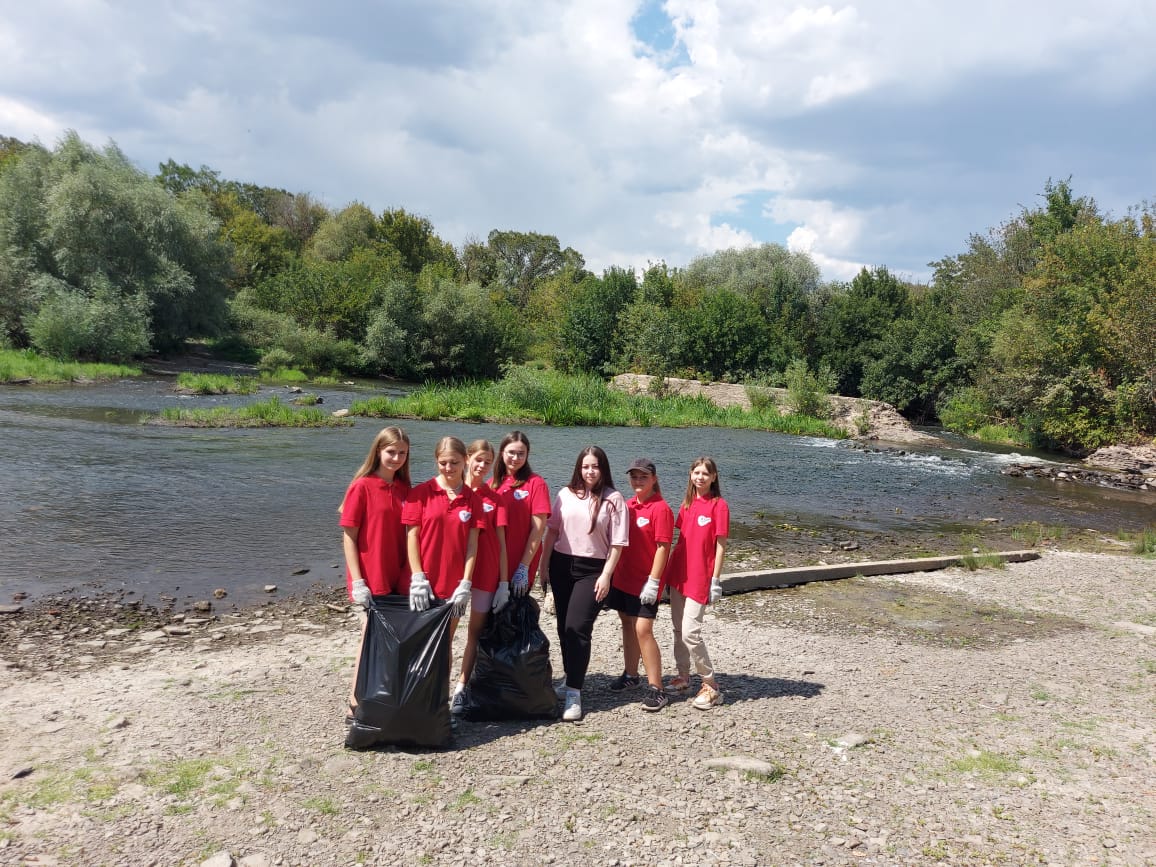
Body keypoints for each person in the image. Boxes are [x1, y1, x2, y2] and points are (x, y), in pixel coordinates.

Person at [539, 446, 628, 721]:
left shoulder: (613, 499)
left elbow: (617, 544)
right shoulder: (565, 495)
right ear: (579, 468)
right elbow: (552, 532)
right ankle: (569, 678)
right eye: (585, 466)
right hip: (561, 564)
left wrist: (606, 575)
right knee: (563, 627)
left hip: (592, 570)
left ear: (603, 469)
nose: (590, 471)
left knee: (578, 627)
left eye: (595, 466)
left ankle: (575, 694)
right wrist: (543, 567)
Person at [338, 426, 412, 719]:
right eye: (390, 452)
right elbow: (349, 537)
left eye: (402, 453)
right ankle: (355, 701)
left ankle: (384, 694)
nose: (395, 458)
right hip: (371, 575)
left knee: (392, 638)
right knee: (370, 637)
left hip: (399, 575)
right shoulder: (362, 486)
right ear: (378, 452)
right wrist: (358, 581)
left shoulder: (406, 490)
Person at [402, 436, 484, 678]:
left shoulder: (473, 500)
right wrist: (417, 576)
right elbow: (411, 538)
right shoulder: (420, 493)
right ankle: (416, 700)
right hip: (424, 585)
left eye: (454, 463)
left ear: (465, 461)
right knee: (419, 643)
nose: (449, 468)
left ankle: (439, 702)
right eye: (443, 462)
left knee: (444, 642)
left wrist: (466, 583)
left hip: (454, 586)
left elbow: (472, 546)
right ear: (436, 461)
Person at [604, 457, 674, 712]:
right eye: (634, 476)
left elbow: (663, 547)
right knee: (626, 622)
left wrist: (654, 582)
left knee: (643, 629)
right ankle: (631, 675)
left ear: (653, 479)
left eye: (643, 476)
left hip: (646, 583)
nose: (638, 480)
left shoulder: (661, 509)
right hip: (623, 578)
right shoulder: (627, 504)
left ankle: (657, 688)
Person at [664, 456, 729, 710]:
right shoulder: (688, 504)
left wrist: (715, 580)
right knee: (678, 629)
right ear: (690, 475)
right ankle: (683, 676)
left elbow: (720, 547)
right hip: (679, 574)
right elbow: (681, 540)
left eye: (705, 473)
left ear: (713, 477)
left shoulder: (719, 506)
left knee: (692, 633)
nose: (700, 477)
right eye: (696, 472)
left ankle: (711, 685)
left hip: (701, 578)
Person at [450, 439, 510, 714]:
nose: (483, 466)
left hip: (485, 575)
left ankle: (462, 687)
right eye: (479, 459)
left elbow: (501, 543)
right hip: (455, 575)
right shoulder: (454, 493)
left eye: (488, 462)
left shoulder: (495, 499)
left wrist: (504, 582)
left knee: (475, 632)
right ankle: (437, 684)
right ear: (467, 458)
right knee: (447, 632)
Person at [492, 431, 551, 598]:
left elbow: (538, 529)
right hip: (494, 561)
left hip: (521, 561)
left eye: (521, 454)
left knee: (514, 615)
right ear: (502, 452)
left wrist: (523, 567)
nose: (516, 458)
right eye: (511, 452)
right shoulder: (492, 484)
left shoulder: (536, 484)